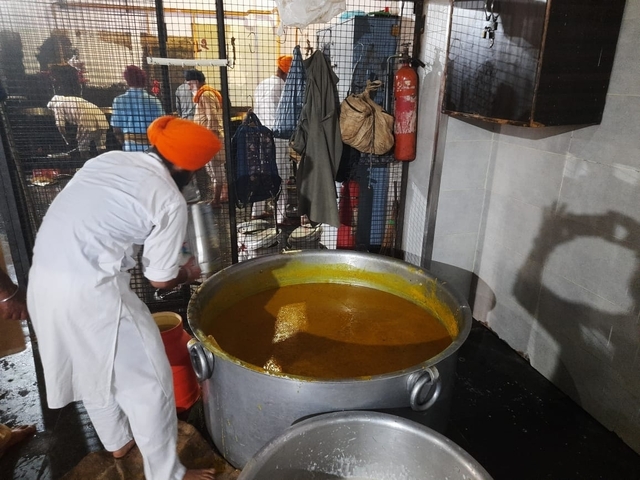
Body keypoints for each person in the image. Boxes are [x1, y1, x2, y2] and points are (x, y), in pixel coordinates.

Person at [26, 116, 221, 480]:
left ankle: (117, 440)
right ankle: (168, 475)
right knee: (151, 383)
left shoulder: (109, 161)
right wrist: (188, 272)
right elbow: (159, 279)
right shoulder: (168, 198)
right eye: (197, 169)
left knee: (93, 367)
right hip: (93, 292)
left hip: (43, 281)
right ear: (183, 166)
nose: (195, 177)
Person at [252, 55, 293, 223]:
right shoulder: (283, 86)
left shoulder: (262, 84)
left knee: (262, 172)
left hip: (259, 134)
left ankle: (257, 211)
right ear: (288, 72)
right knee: (281, 174)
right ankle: (281, 217)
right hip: (276, 136)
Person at [185, 69, 226, 205]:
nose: (189, 87)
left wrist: (208, 140)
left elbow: (212, 119)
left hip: (210, 139)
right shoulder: (204, 94)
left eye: (190, 84)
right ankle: (219, 197)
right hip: (208, 138)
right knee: (214, 169)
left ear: (196, 82)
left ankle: (217, 200)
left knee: (215, 169)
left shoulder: (205, 95)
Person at [110, 65, 164, 152]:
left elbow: (116, 129)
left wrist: (124, 142)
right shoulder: (154, 101)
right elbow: (161, 125)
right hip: (151, 148)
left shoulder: (119, 101)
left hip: (130, 147)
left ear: (127, 80)